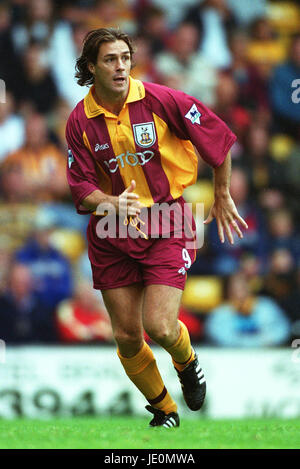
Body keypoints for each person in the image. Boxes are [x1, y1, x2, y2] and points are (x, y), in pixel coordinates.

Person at [65, 28, 248, 428]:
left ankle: (187, 362)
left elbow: (217, 138)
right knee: (128, 336)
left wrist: (221, 194)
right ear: (91, 67)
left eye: (125, 57)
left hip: (167, 219)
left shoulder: (162, 99)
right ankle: (164, 409)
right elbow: (79, 187)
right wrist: (110, 203)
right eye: (110, 59)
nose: (120, 66)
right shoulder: (79, 120)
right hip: (112, 228)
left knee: (160, 326)